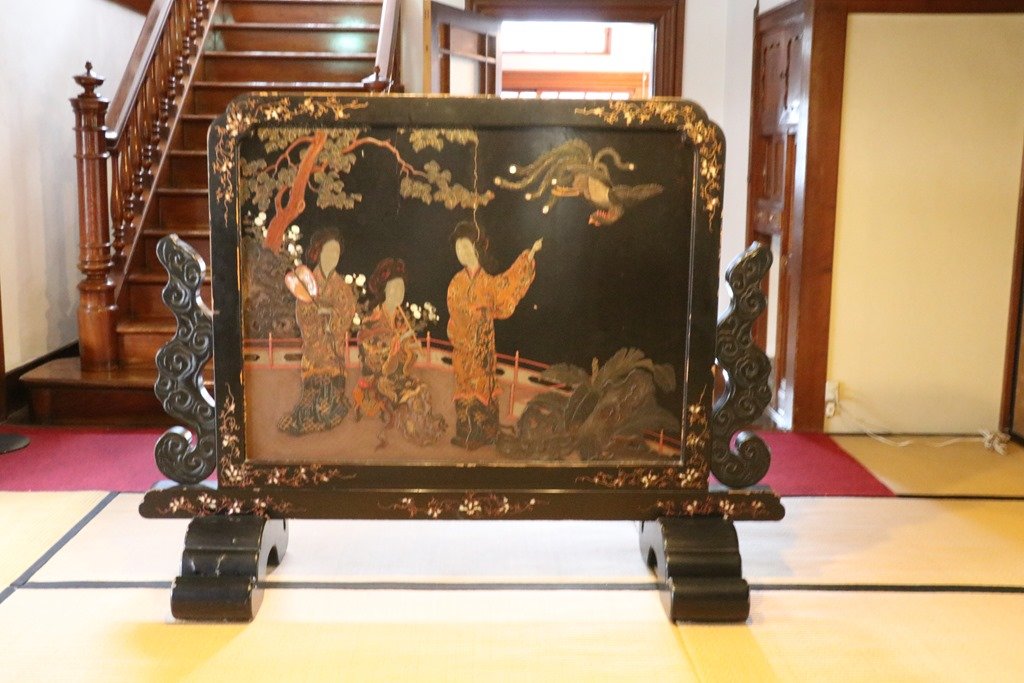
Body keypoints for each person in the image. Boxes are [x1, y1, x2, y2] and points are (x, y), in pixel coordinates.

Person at [446, 221, 542, 449]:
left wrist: (529, 256)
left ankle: (484, 434)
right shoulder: (456, 282)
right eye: (458, 248)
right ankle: (466, 433)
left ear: (477, 248)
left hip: (482, 346)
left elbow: (506, 287)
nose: (462, 252)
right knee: (464, 385)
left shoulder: (487, 281)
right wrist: (467, 318)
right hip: (462, 345)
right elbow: (453, 309)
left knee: (482, 384)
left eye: (466, 247)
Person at [354, 258, 446, 446]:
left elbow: (407, 364)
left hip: (398, 374)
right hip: (381, 378)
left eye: (401, 289)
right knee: (411, 397)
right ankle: (416, 432)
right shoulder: (372, 322)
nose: (399, 293)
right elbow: (373, 360)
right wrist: (393, 351)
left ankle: (426, 426)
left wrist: (409, 350)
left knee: (422, 389)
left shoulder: (400, 320)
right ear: (384, 291)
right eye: (394, 288)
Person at [278, 228, 355, 435]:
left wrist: (330, 317)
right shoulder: (308, 283)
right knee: (307, 407)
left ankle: (325, 413)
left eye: (336, 253)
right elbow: (303, 314)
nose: (333, 256)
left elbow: (345, 315)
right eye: (329, 252)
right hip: (314, 354)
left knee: (326, 410)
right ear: (319, 253)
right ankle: (302, 421)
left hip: (333, 358)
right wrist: (316, 314)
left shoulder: (342, 288)